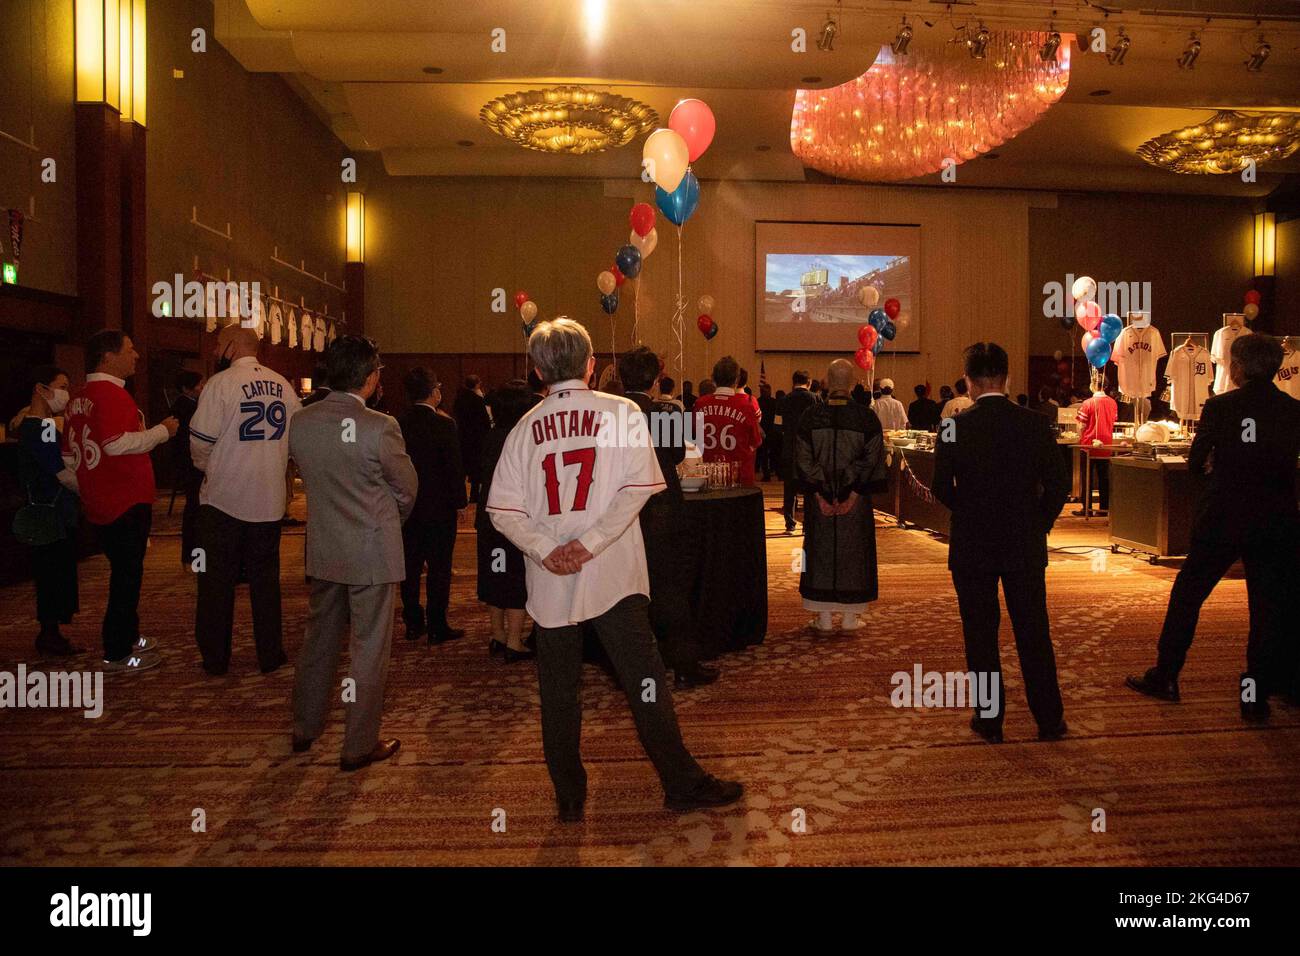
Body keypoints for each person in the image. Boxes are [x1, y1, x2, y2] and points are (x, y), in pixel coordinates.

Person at [486, 318, 741, 823]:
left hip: (550, 580)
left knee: (558, 690)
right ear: (591, 364)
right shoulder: (622, 411)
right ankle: (680, 781)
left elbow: (501, 510)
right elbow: (638, 489)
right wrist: (592, 543)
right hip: (614, 576)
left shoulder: (522, 429)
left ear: (537, 370)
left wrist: (546, 550)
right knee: (644, 681)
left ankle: (569, 794)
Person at [1126, 334, 1300, 719]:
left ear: (1238, 366)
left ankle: (1167, 675)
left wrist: (1216, 476)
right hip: (1275, 520)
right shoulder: (1293, 410)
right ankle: (1254, 696)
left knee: (1188, 595)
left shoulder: (1221, 407)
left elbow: (1196, 460)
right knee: (1266, 608)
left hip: (1224, 516)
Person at [290, 335, 417, 771]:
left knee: (318, 641)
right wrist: (385, 521)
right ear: (368, 377)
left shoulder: (302, 422)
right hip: (372, 552)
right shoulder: (380, 426)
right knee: (368, 649)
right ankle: (357, 744)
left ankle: (304, 727)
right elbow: (407, 490)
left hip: (325, 547)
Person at [933, 342, 1069, 744]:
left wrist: (967, 512)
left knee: (980, 632)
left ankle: (990, 719)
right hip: (1023, 542)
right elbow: (1059, 483)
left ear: (970, 381)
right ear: (1006, 378)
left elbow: (941, 487)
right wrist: (1039, 522)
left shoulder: (954, 426)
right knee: (1033, 630)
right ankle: (1049, 718)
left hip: (973, 543)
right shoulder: (1033, 422)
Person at [188, 326, 300, 675]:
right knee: (266, 583)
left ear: (234, 347)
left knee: (215, 583)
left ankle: (215, 658)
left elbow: (200, 444)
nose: (217, 349)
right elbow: (296, 440)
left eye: (220, 343)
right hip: (268, 501)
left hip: (224, 500)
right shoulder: (282, 384)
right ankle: (270, 654)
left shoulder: (220, 384)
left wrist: (214, 469)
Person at [65, 332, 177, 673]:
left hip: (102, 500)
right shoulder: (110, 394)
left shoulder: (78, 399)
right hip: (124, 501)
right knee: (127, 576)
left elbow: (70, 456)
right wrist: (162, 431)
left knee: (127, 572)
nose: (136, 356)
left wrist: (89, 486)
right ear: (107, 357)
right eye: (129, 350)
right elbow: (115, 444)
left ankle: (130, 634)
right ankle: (117, 650)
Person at [619, 346, 719, 688]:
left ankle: (634, 668)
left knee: (629, 592)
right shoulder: (664, 413)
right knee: (671, 590)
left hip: (624, 514)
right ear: (655, 379)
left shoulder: (612, 416)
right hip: (662, 510)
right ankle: (684, 666)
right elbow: (678, 454)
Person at [795, 359, 889, 633]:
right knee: (854, 551)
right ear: (851, 383)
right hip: (855, 502)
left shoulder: (810, 417)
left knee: (819, 550)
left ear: (826, 381)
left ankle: (822, 618)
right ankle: (850, 619)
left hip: (818, 500)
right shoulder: (866, 419)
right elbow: (871, 459)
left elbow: (803, 459)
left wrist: (821, 493)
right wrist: (852, 492)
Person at [16, 365, 81, 657]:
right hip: (50, 513)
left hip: (54, 511)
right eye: (61, 386)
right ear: (42, 390)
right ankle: (50, 632)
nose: (66, 393)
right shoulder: (37, 428)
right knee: (52, 574)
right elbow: (60, 472)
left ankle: (52, 630)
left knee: (54, 573)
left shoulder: (39, 427)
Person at [399, 366, 466, 644]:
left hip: (408, 507)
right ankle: (437, 624)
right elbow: (454, 468)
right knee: (439, 568)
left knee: (410, 567)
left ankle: (413, 621)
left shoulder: (397, 423)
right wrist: (460, 503)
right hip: (440, 508)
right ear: (433, 392)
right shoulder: (444, 424)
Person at [478, 380, 540, 662]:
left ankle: (497, 635)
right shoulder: (523, 438)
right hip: (515, 517)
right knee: (515, 576)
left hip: (489, 519)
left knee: (495, 574)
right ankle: (515, 640)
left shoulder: (490, 436)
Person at [695, 355, 764, 486]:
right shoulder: (746, 405)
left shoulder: (700, 404)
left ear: (713, 378)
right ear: (737, 380)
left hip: (709, 477)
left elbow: (692, 439)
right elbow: (755, 441)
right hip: (739, 479)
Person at [170, 370, 204, 568]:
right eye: (199, 386)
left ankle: (191, 557)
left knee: (194, 510)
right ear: (186, 389)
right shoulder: (185, 408)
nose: (202, 389)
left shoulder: (187, 405)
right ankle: (196, 559)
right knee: (196, 512)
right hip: (191, 465)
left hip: (188, 464)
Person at [780, 370, 819, 534]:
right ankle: (807, 524)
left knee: (789, 488)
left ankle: (790, 523)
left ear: (792, 382)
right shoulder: (815, 398)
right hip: (809, 451)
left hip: (789, 448)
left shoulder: (784, 400)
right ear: (809, 382)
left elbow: (777, 426)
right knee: (809, 489)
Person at [1074, 381, 1117, 515]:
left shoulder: (1087, 403)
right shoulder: (1113, 403)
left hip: (1088, 445)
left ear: (1092, 385)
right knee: (1104, 478)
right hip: (1106, 444)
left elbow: (1081, 425)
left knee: (1087, 478)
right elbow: (1113, 421)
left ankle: (1086, 508)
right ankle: (1104, 509)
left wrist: (1079, 438)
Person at [453, 375, 491, 503]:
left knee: (463, 466)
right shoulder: (478, 399)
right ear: (476, 384)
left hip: (462, 435)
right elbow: (485, 419)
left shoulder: (459, 399)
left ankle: (462, 495)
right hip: (476, 437)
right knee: (476, 468)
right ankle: (474, 495)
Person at [756, 383, 778, 481]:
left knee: (763, 455)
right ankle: (777, 471)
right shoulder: (775, 402)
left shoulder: (757, 402)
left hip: (762, 431)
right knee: (774, 453)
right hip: (772, 430)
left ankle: (766, 475)